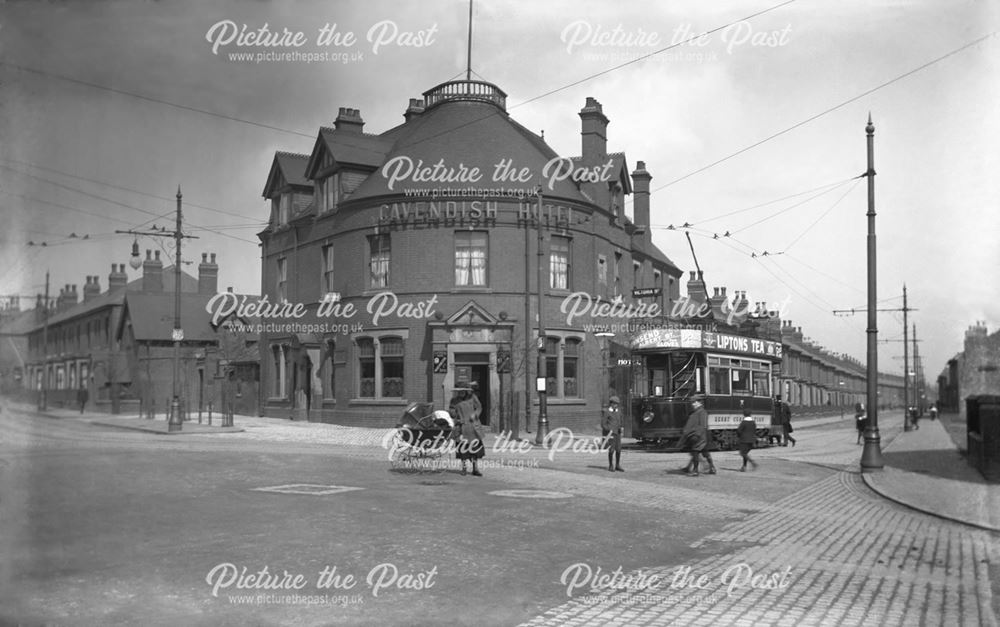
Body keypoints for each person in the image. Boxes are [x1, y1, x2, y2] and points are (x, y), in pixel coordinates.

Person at [450, 387, 485, 476]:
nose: (461, 392)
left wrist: (475, 415)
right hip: (462, 427)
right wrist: (454, 415)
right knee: (463, 449)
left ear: (466, 391)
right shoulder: (454, 400)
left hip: (473, 427)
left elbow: (479, 407)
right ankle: (464, 468)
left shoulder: (472, 397)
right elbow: (452, 412)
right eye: (459, 391)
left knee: (475, 449)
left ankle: (475, 469)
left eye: (463, 391)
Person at [681, 395, 714, 476]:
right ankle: (712, 468)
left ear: (699, 402)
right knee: (704, 453)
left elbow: (703, 425)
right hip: (698, 436)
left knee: (695, 452)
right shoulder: (697, 412)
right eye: (692, 402)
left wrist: (697, 435)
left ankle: (695, 470)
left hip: (699, 436)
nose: (693, 404)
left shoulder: (702, 412)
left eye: (695, 402)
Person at [601, 396, 624, 472]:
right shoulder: (607, 412)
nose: (616, 405)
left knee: (618, 449)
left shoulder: (618, 411)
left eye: (617, 404)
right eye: (614, 404)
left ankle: (617, 465)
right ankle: (611, 465)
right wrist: (608, 429)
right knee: (611, 450)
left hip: (618, 433)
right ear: (611, 404)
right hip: (611, 434)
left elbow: (620, 420)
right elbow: (603, 424)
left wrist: (621, 427)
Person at [736, 407, 758, 472]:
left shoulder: (744, 422)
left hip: (744, 440)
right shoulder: (753, 422)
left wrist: (739, 436)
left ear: (744, 414)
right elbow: (754, 430)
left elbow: (739, 431)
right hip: (752, 440)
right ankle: (744, 467)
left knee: (742, 453)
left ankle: (753, 463)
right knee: (745, 454)